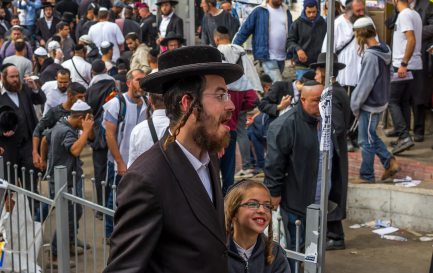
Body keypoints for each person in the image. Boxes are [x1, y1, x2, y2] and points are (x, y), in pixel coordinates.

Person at [104, 46, 243, 272]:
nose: (230, 105)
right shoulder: (146, 179)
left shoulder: (210, 158)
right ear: (188, 103)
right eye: (220, 95)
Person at [350, 17, 400, 183]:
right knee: (370, 136)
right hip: (380, 101)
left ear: (361, 35)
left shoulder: (371, 56)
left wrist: (355, 105)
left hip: (370, 104)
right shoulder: (384, 48)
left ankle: (367, 176)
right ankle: (389, 161)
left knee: (365, 141)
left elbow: (365, 84)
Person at [310, 53, 351, 251]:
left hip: (332, 153)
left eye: (318, 70)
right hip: (335, 150)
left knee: (331, 192)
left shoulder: (332, 94)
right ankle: (332, 234)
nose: (316, 74)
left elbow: (337, 126)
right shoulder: (337, 91)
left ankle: (335, 236)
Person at [46, 99, 93, 259]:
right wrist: (86, 131)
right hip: (62, 180)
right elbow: (75, 150)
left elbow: (46, 139)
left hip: (67, 177)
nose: (89, 122)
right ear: (81, 119)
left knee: (75, 212)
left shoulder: (61, 124)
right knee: (65, 217)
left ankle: (70, 243)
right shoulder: (66, 131)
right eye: (87, 120)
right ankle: (55, 252)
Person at [321, 0, 366, 152]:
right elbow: (327, 50)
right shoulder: (337, 24)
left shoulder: (366, 23)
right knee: (346, 108)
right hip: (345, 76)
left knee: (358, 108)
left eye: (362, 10)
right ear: (348, 10)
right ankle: (345, 136)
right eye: (358, 11)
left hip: (362, 75)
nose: (361, 13)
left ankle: (355, 135)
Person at [224, 180, 291, 273]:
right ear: (233, 211)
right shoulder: (215, 251)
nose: (262, 210)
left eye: (267, 206)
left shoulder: (275, 253)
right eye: (253, 204)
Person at [0, 64, 46, 189]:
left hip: (27, 145)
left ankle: (33, 207)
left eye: (17, 76)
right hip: (7, 147)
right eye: (12, 77)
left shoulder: (24, 89)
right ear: (3, 77)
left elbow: (41, 99)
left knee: (30, 184)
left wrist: (35, 88)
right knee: (9, 187)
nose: (15, 80)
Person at [387, 0, 423, 154]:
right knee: (403, 101)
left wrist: (403, 63)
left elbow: (411, 39)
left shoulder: (405, 15)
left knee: (391, 100)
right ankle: (403, 134)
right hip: (411, 64)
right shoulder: (414, 14)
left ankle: (404, 135)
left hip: (404, 64)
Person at [233, 0, 293, 82]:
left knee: (271, 86)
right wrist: (233, 47)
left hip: (282, 57)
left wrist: (293, 53)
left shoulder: (286, 11)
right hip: (266, 56)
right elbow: (244, 30)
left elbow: (291, 33)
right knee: (277, 83)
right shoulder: (259, 11)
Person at [32, 82, 86, 171]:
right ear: (70, 95)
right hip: (57, 162)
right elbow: (38, 131)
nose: (83, 100)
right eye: (80, 97)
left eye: (84, 97)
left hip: (74, 161)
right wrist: (37, 154)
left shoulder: (82, 111)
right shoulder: (55, 112)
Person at [86, 59, 116, 209]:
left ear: (92, 73)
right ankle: (114, 203)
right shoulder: (114, 85)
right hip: (114, 130)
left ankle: (101, 206)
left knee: (100, 171)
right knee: (115, 167)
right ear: (105, 70)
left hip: (97, 134)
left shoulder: (90, 90)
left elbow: (88, 113)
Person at [287, 0, 326, 79]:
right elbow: (290, 42)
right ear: (304, 10)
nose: (311, 14)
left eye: (314, 12)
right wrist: (298, 49)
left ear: (317, 10)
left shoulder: (323, 23)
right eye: (309, 12)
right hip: (302, 66)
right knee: (303, 89)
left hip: (319, 66)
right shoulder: (296, 24)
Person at [128, 93, 169, 167]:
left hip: (144, 177)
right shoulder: (180, 128)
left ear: (150, 100)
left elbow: (131, 165)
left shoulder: (138, 130)